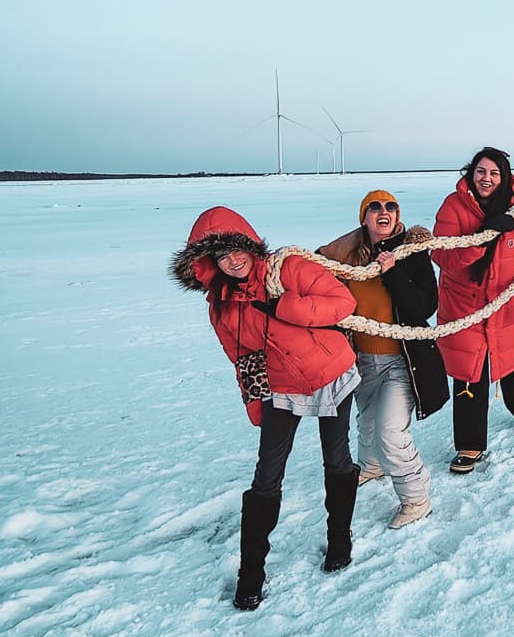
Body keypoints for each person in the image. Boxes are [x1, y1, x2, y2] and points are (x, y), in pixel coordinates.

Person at [171, 205, 359, 611]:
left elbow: (343, 302)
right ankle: (251, 572)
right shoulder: (221, 304)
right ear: (210, 262)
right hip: (279, 387)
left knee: (337, 457)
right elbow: (240, 356)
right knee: (266, 477)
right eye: (221, 256)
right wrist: (254, 401)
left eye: (237, 249)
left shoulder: (286, 269)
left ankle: (339, 538)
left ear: (250, 245)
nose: (233, 260)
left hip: (329, 372)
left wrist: (287, 307)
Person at [318, 190, 449, 530]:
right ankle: (372, 466)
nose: (383, 211)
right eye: (374, 207)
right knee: (367, 421)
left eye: (390, 206)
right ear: (364, 218)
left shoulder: (410, 253)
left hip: (402, 361)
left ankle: (416, 499)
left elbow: (423, 307)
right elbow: (320, 268)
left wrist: (391, 271)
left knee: (390, 432)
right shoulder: (349, 258)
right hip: (362, 359)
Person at [433, 148, 514, 474]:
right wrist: (481, 239)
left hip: (509, 304)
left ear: (504, 176)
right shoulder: (453, 206)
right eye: (481, 171)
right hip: (465, 306)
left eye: (494, 173)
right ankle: (469, 445)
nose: (487, 179)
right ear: (471, 173)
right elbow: (443, 256)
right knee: (469, 373)